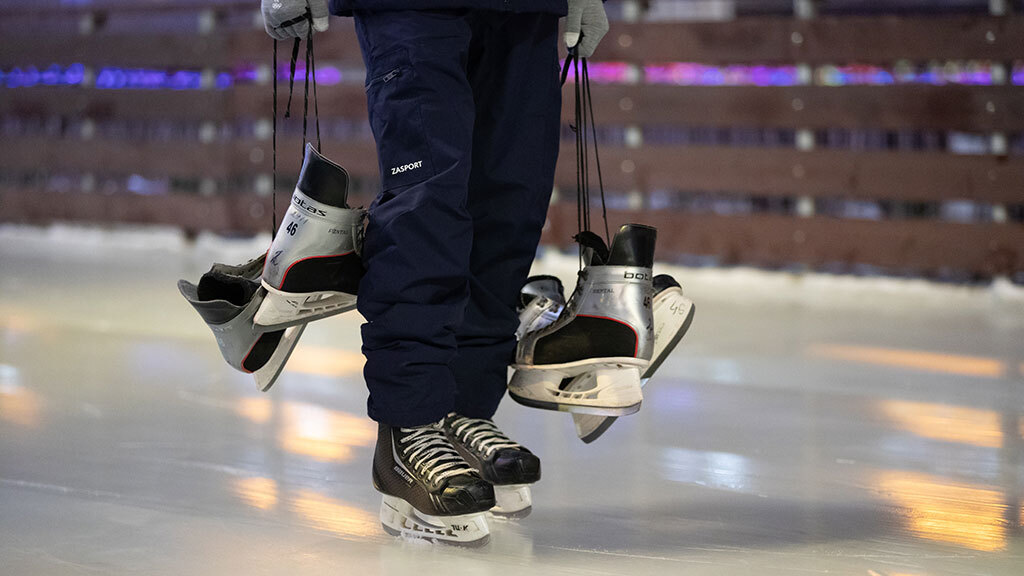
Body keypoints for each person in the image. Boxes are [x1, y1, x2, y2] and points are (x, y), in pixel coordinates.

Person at [261, 0, 609, 543]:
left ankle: (463, 412)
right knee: (427, 205)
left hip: (527, 10)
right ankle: (411, 425)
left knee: (510, 203)